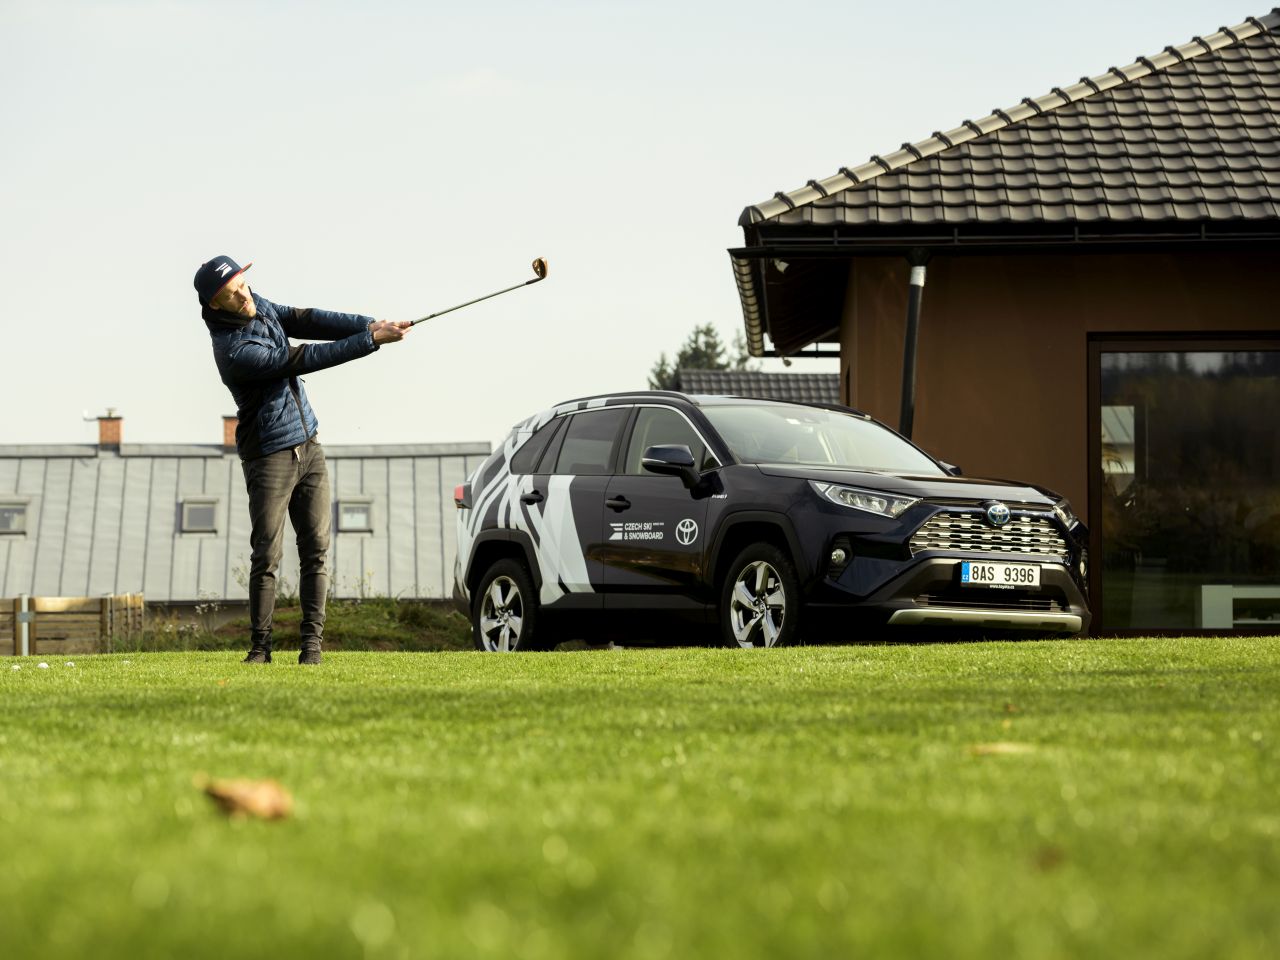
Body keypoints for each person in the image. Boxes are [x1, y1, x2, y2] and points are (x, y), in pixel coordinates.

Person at [195, 255, 410, 665]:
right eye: (232, 295)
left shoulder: (257, 303)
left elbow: (304, 318)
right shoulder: (234, 351)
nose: (244, 296)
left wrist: (368, 325)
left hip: (309, 445)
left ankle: (311, 647)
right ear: (215, 305)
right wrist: (370, 342)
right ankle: (260, 649)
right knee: (267, 555)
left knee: (316, 549)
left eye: (243, 284)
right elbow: (302, 358)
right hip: (269, 455)